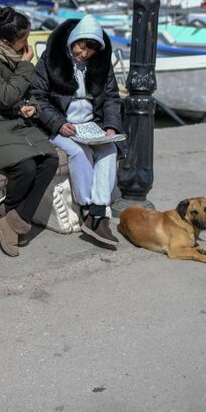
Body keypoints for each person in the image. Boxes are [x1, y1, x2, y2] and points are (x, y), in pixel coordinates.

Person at [0, 7, 60, 257]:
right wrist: (26, 67)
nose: (27, 44)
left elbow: (27, 94)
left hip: (11, 121)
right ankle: (11, 216)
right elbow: (5, 96)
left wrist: (30, 107)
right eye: (23, 39)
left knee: (49, 159)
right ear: (6, 41)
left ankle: (11, 219)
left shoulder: (14, 56)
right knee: (25, 166)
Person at [31, 15, 122, 246]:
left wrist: (111, 127)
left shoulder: (100, 64)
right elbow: (37, 97)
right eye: (81, 48)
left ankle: (98, 211)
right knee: (80, 153)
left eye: (89, 52)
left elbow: (111, 97)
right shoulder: (51, 59)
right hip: (59, 126)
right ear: (73, 40)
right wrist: (58, 123)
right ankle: (87, 208)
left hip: (92, 125)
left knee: (109, 150)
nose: (83, 55)